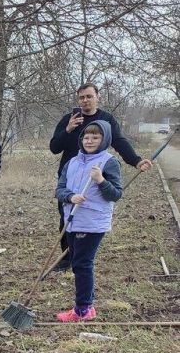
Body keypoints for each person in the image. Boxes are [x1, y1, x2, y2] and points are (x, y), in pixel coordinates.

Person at [49, 82, 150, 272]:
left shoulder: (107, 119)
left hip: (95, 175)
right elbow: (54, 147)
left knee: (90, 213)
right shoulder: (68, 119)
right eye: (81, 97)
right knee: (66, 216)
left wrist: (136, 161)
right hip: (69, 174)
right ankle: (66, 257)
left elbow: (119, 141)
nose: (85, 100)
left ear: (97, 97)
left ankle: (83, 254)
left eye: (89, 96)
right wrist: (69, 129)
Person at [54, 120, 122, 322]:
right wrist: (70, 196)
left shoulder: (108, 162)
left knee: (83, 264)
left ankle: (83, 309)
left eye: (95, 137)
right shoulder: (72, 162)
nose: (90, 140)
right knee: (78, 263)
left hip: (92, 222)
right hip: (72, 220)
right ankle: (87, 306)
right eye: (86, 136)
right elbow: (59, 189)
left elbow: (116, 194)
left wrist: (101, 180)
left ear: (105, 139)